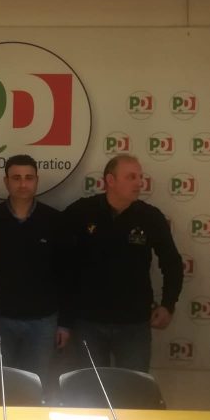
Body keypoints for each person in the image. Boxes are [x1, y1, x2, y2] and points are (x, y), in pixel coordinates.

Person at [63, 154, 183, 372]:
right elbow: (59, 261)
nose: (139, 183)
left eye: (140, 177)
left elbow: (172, 263)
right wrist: (64, 317)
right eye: (131, 177)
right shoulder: (81, 212)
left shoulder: (150, 217)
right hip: (88, 321)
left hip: (134, 323)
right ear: (110, 180)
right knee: (90, 388)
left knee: (134, 388)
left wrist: (168, 304)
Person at [0, 155, 68, 388]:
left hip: (43, 322)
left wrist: (65, 322)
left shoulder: (55, 220)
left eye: (29, 178)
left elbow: (66, 274)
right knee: (0, 387)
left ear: (37, 181)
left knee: (36, 387)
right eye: (16, 178)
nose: (23, 183)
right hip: (1, 320)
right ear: (6, 182)